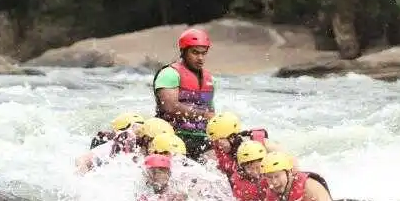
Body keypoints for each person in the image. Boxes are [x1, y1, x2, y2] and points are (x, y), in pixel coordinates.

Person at [152, 28, 216, 161]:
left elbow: (211, 112)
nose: (200, 58)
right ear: (183, 51)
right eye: (195, 53)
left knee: (214, 164)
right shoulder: (169, 74)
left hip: (200, 137)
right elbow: (170, 107)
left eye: (204, 53)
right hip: (172, 134)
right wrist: (203, 114)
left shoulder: (209, 80)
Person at [203, 111, 286, 173]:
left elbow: (290, 164)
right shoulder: (217, 153)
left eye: (221, 139)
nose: (218, 143)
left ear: (232, 136)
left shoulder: (262, 144)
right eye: (216, 141)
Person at [76, 111, 145, 174]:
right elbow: (82, 159)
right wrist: (82, 170)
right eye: (137, 129)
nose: (141, 134)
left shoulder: (143, 148)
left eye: (143, 128)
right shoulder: (109, 147)